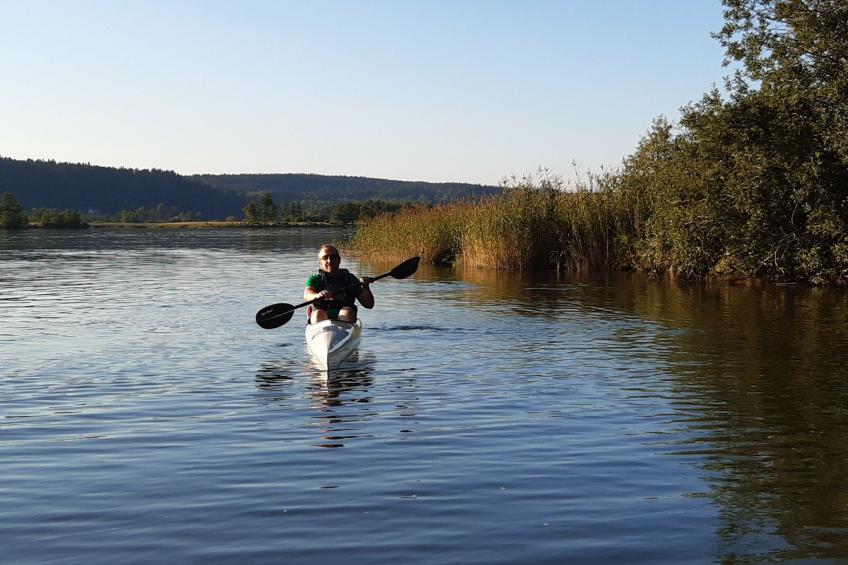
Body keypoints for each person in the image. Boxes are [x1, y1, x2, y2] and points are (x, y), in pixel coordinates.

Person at [304, 244, 374, 324]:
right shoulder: (315, 279)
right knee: (319, 314)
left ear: (339, 260)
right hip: (321, 315)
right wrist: (318, 295)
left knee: (346, 312)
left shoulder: (350, 278)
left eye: (333, 257)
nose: (329, 261)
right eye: (325, 258)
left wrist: (365, 287)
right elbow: (307, 295)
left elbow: (369, 304)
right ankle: (315, 320)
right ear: (320, 262)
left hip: (346, 317)